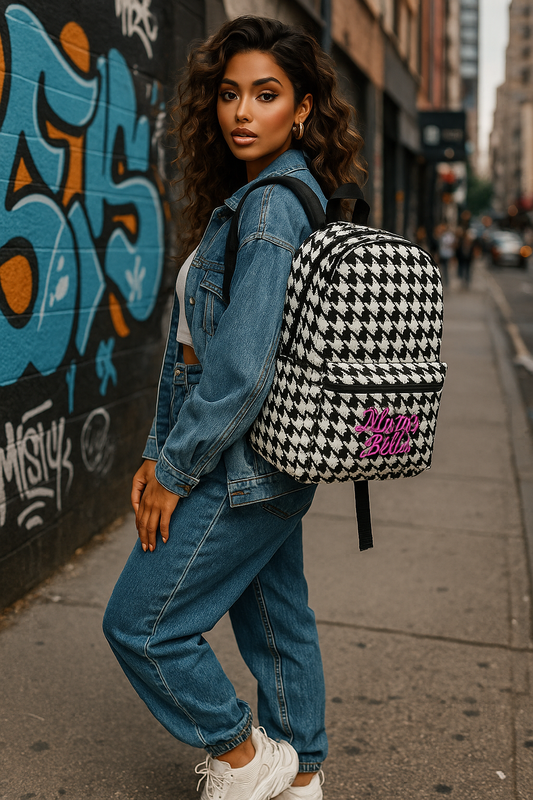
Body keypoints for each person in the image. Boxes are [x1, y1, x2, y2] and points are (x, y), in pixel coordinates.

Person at [103, 16, 366, 800]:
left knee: (140, 624)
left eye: (266, 94)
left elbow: (238, 369)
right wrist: (158, 445)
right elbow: (198, 350)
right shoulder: (277, 196)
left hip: (239, 456)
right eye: (229, 94)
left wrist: (174, 471)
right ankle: (300, 775)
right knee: (276, 620)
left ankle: (243, 761)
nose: (242, 112)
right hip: (273, 456)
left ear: (304, 109)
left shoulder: (270, 208)